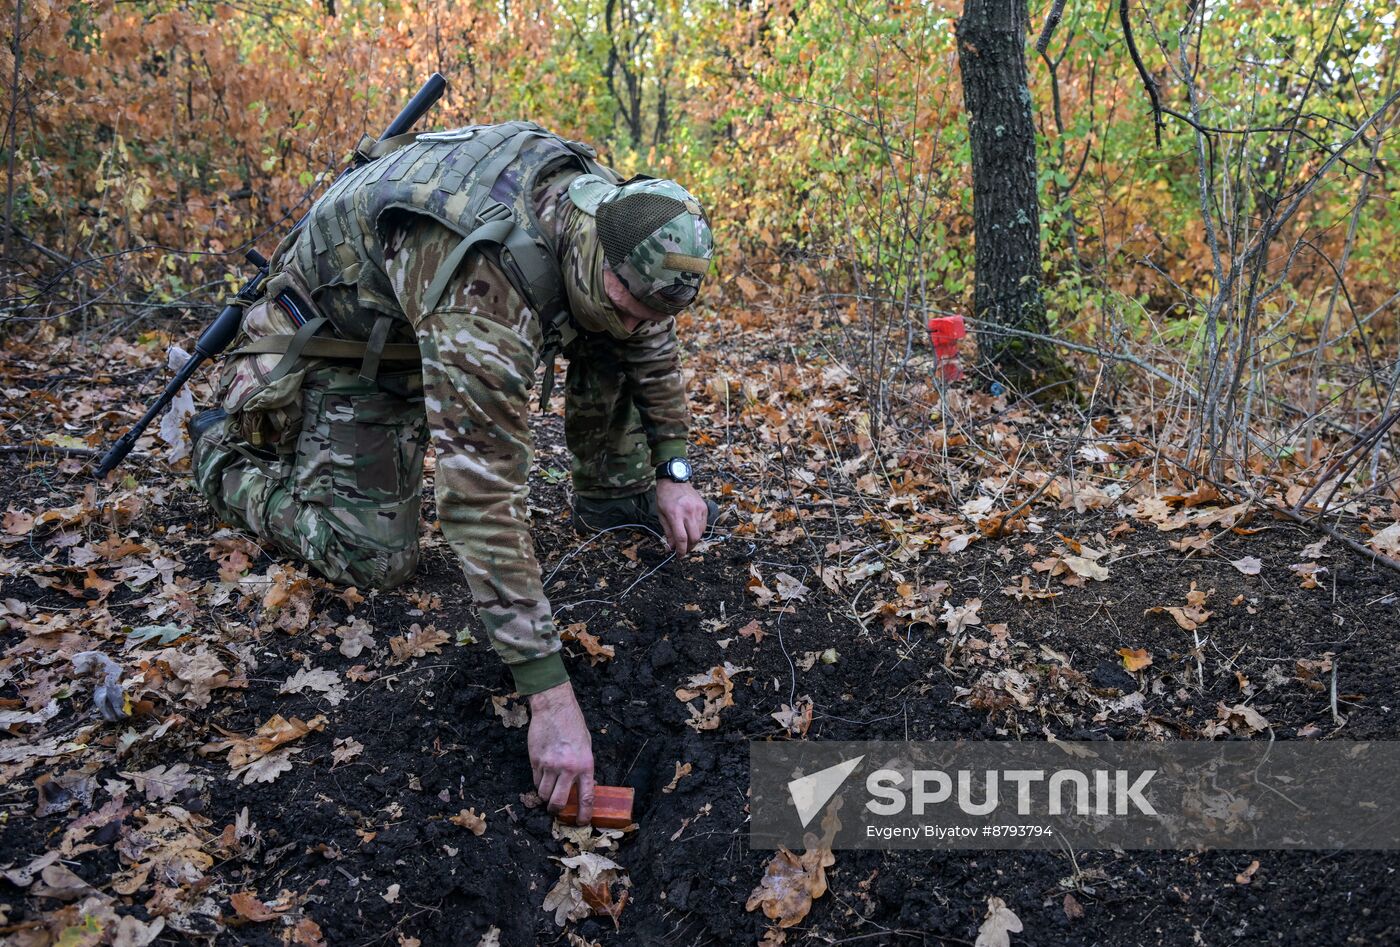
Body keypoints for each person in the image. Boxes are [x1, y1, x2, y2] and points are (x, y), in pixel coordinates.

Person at [186, 121, 716, 825]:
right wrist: (550, 699)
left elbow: (648, 343)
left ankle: (609, 493)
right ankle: (218, 455)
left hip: (418, 321)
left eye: (651, 312)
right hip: (344, 342)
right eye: (624, 307)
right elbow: (480, 500)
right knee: (373, 555)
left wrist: (673, 469)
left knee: (610, 341)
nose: (635, 325)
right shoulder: (489, 289)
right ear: (596, 260)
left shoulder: (633, 223)